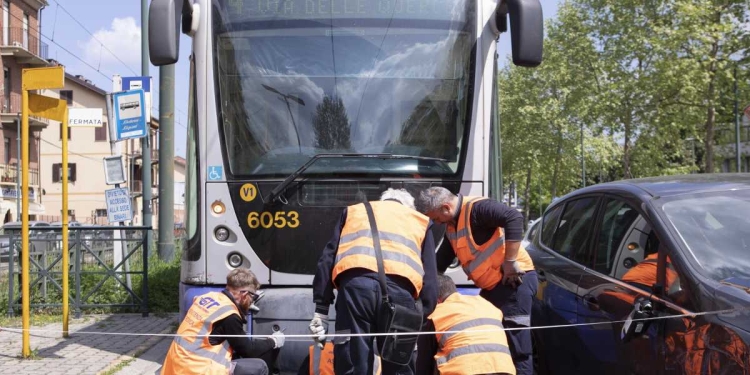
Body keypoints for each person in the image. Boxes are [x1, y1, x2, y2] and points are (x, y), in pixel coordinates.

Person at [310, 188, 438, 375]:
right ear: (408, 207)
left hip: (355, 290)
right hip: (402, 295)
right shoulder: (420, 221)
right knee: (399, 366)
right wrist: (420, 314)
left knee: (353, 363)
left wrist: (321, 310)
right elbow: (431, 280)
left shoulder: (353, 212)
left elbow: (327, 259)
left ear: (382, 201)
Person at [416, 187, 537, 375]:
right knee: (493, 344)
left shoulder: (477, 208)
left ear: (446, 208)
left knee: (517, 348)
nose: (435, 222)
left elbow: (513, 217)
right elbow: (438, 264)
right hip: (492, 288)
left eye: (435, 217)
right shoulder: (452, 227)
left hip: (514, 282)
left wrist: (510, 262)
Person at [162, 268, 285, 375]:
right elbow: (249, 350)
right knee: (259, 366)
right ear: (244, 294)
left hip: (176, 367)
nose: (252, 301)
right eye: (252, 297)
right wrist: (273, 341)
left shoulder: (206, 298)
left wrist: (242, 308)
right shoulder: (229, 316)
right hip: (198, 370)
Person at [422, 275, 516, 375]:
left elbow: (423, 364)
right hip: (504, 370)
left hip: (465, 371)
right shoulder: (487, 305)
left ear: (436, 299)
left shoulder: (437, 314)